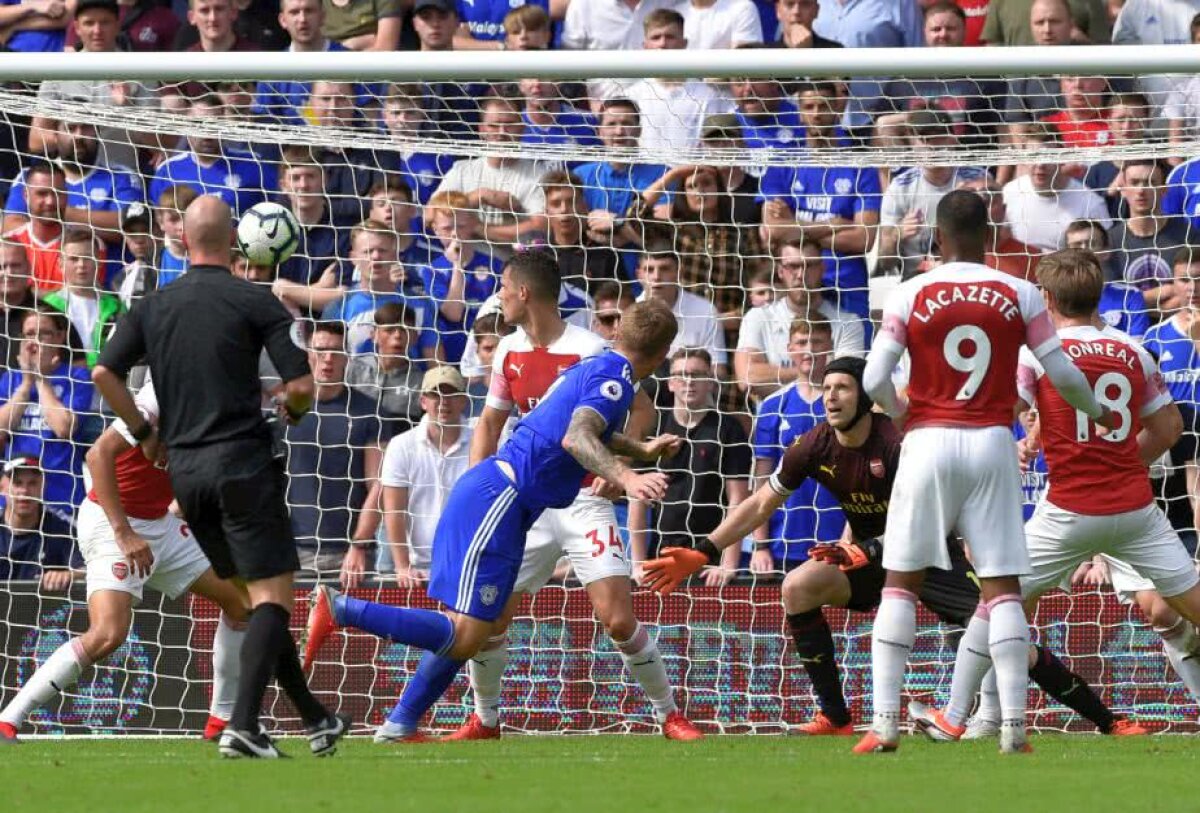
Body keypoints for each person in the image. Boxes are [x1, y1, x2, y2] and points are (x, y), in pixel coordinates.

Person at [302, 297, 686, 743]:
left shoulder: (597, 365)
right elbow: (577, 436)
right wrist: (629, 476)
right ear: (662, 357)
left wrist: (640, 449)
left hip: (509, 501)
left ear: (616, 333)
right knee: (466, 634)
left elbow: (571, 426)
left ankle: (400, 724)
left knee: (474, 629)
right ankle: (340, 608)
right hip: (502, 497)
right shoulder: (616, 381)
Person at [855, 190, 1112, 754]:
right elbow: (1063, 373)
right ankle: (1014, 730)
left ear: (938, 239)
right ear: (991, 235)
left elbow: (874, 381)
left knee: (901, 579)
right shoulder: (1020, 292)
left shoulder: (910, 291)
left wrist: (905, 415)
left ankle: (884, 724)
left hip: (927, 442)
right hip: (994, 442)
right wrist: (1094, 412)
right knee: (1003, 591)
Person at [92, 195, 346, 759]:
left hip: (185, 476)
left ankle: (313, 718)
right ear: (235, 240)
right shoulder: (254, 300)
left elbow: (103, 370)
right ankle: (244, 726)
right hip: (242, 466)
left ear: (182, 239)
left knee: (253, 600)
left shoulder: (154, 306)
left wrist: (143, 432)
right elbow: (302, 387)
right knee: (276, 597)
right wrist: (290, 411)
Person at [910, 248, 1200, 742]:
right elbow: (1169, 426)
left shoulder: (1038, 354)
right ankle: (974, 718)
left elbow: (1002, 410)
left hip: (1069, 509)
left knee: (997, 601)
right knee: (1192, 603)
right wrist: (1124, 463)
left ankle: (955, 716)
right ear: (1098, 294)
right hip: (1135, 510)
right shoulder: (1134, 348)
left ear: (1046, 298)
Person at [427, 250, 699, 742]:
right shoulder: (507, 349)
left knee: (616, 619)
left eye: (506, 288)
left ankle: (668, 714)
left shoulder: (592, 349)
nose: (500, 297)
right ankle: (485, 720)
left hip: (580, 499)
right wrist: (476, 490)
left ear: (524, 292)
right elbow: (491, 423)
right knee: (490, 617)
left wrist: (623, 470)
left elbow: (635, 407)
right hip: (523, 498)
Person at [0, 384, 252, 744]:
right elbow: (96, 456)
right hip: (110, 519)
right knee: (108, 635)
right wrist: (124, 533)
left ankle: (221, 721)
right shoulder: (160, 396)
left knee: (243, 603)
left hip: (160, 523)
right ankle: (8, 720)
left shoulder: (223, 406)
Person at [759, 81, 882, 319]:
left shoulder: (861, 167)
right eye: (809, 107)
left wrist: (794, 226)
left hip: (846, 284)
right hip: (795, 283)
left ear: (837, 109)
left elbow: (863, 238)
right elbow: (772, 230)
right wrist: (834, 225)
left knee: (851, 356)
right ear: (800, 112)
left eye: (823, 107)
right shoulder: (781, 163)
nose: (816, 114)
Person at [629, 348, 749, 584]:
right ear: (671, 383)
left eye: (697, 375)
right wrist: (638, 564)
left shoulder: (729, 429)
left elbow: (738, 501)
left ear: (711, 383)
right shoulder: (655, 426)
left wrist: (728, 565)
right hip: (662, 555)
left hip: (709, 560)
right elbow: (638, 500)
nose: (689, 382)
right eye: (681, 375)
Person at [285, 321, 383, 584]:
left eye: (336, 352)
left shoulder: (368, 412)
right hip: (294, 552)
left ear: (347, 357)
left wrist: (359, 545)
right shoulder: (286, 411)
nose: (327, 359)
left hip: (351, 556)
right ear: (308, 354)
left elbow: (378, 485)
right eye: (320, 350)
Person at [374, 365, 473, 581]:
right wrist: (403, 567)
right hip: (417, 567)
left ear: (464, 400)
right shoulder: (401, 445)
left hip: (470, 563)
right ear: (423, 402)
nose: (443, 401)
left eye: (450, 393)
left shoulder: (480, 442)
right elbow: (393, 510)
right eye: (435, 394)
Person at [735, 237, 864, 400]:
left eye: (809, 266)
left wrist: (774, 376)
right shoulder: (758, 317)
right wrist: (813, 373)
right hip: (772, 422)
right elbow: (748, 378)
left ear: (822, 269)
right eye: (793, 266)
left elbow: (845, 382)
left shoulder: (848, 323)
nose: (801, 274)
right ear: (780, 271)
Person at [0, 309, 96, 516]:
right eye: (29, 334)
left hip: (62, 497)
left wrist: (41, 379)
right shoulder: (11, 379)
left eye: (43, 333)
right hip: (15, 498)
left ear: (60, 337)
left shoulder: (76, 377)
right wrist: (26, 384)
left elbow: (64, 428)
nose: (35, 341)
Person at [1107, 159, 1191, 312]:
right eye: (1135, 182)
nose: (1141, 190)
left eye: (1150, 182)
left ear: (1164, 189)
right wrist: (1164, 291)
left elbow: (1193, 292)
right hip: (1124, 331)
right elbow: (1111, 301)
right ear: (1123, 189)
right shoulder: (1109, 242)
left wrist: (1138, 304)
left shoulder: (1188, 237)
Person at [41, 230, 125, 368]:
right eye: (74, 259)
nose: (81, 265)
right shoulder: (48, 307)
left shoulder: (116, 306)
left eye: (87, 258)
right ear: (60, 264)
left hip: (107, 382)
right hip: (65, 383)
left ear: (99, 262)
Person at [346, 302, 426, 438]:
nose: (397, 336)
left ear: (415, 337)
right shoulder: (353, 370)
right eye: (390, 330)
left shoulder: (421, 382)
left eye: (404, 330)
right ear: (374, 335)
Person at [0, 457, 75, 591]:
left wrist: (69, 575)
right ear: (2, 487)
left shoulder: (61, 530)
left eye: (32, 483)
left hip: (42, 611)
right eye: (17, 483)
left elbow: (90, 568)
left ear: (43, 486)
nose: (24, 491)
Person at [6, 162, 67, 293]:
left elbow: (84, 299)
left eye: (57, 193)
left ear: (66, 195)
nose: (50, 201)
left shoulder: (88, 247)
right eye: (42, 193)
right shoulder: (6, 246)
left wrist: (28, 293)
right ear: (26, 196)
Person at [0, 240, 36, 370]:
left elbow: (77, 368)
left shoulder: (50, 316)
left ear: (28, 268)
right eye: (1, 267)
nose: (8, 273)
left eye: (15, 265)